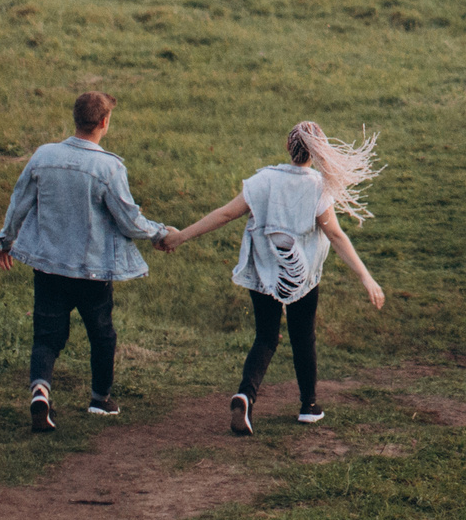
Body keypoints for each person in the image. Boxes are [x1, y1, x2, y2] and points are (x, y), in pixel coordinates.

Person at [165, 120, 386, 434]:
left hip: (264, 272)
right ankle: (308, 405)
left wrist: (181, 237)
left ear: (287, 146)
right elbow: (335, 235)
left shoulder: (263, 180)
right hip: (302, 276)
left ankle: (246, 394)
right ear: (318, 152)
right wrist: (366, 276)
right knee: (302, 336)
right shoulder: (318, 187)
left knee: (266, 337)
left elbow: (225, 214)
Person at [0, 90, 178, 433]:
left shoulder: (43, 155)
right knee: (102, 334)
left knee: (47, 336)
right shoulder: (108, 166)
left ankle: (40, 390)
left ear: (75, 118)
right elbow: (128, 219)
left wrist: (6, 240)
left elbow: (19, 200)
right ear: (104, 123)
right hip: (92, 271)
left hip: (48, 266)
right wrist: (159, 233)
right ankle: (100, 399)